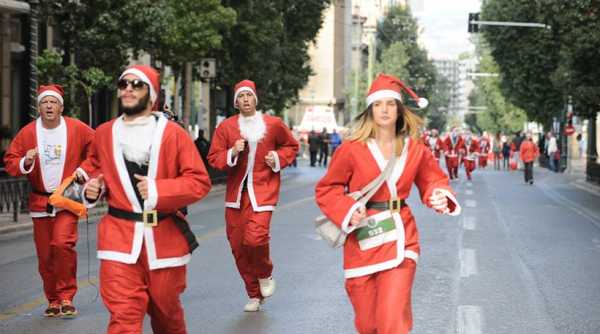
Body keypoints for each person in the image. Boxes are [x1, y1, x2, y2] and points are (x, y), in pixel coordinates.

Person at [315, 74, 461, 334]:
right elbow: (327, 189)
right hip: (362, 239)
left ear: (400, 109)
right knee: (367, 323)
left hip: (401, 238)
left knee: (392, 320)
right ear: (371, 109)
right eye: (378, 104)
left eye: (391, 104)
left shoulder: (415, 149)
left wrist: (439, 195)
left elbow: (433, 180)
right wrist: (348, 210)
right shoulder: (351, 149)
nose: (384, 109)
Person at [83, 65, 212, 333]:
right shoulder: (104, 133)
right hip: (118, 238)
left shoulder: (173, 134)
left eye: (137, 84)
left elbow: (199, 181)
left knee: (166, 314)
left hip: (163, 238)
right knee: (124, 316)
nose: (128, 89)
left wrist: (158, 190)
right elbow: (94, 167)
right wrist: (91, 189)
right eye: (123, 84)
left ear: (151, 95)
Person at [4, 84, 95, 318]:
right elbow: (11, 161)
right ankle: (53, 300)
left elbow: (97, 149)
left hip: (67, 198)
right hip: (39, 201)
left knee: (62, 244)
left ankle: (66, 296)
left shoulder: (77, 128)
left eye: (53, 102)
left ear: (61, 107)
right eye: (44, 102)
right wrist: (26, 159)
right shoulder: (28, 132)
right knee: (45, 255)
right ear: (39, 108)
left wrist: (85, 170)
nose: (49, 106)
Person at [208, 79, 299, 312]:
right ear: (236, 102)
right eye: (241, 96)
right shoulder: (226, 128)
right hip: (235, 197)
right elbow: (214, 158)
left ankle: (265, 273)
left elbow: (291, 146)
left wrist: (276, 159)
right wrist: (232, 151)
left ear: (255, 99)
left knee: (255, 239)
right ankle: (254, 294)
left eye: (249, 95)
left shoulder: (273, 124)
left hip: (263, 191)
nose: (245, 100)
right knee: (238, 247)